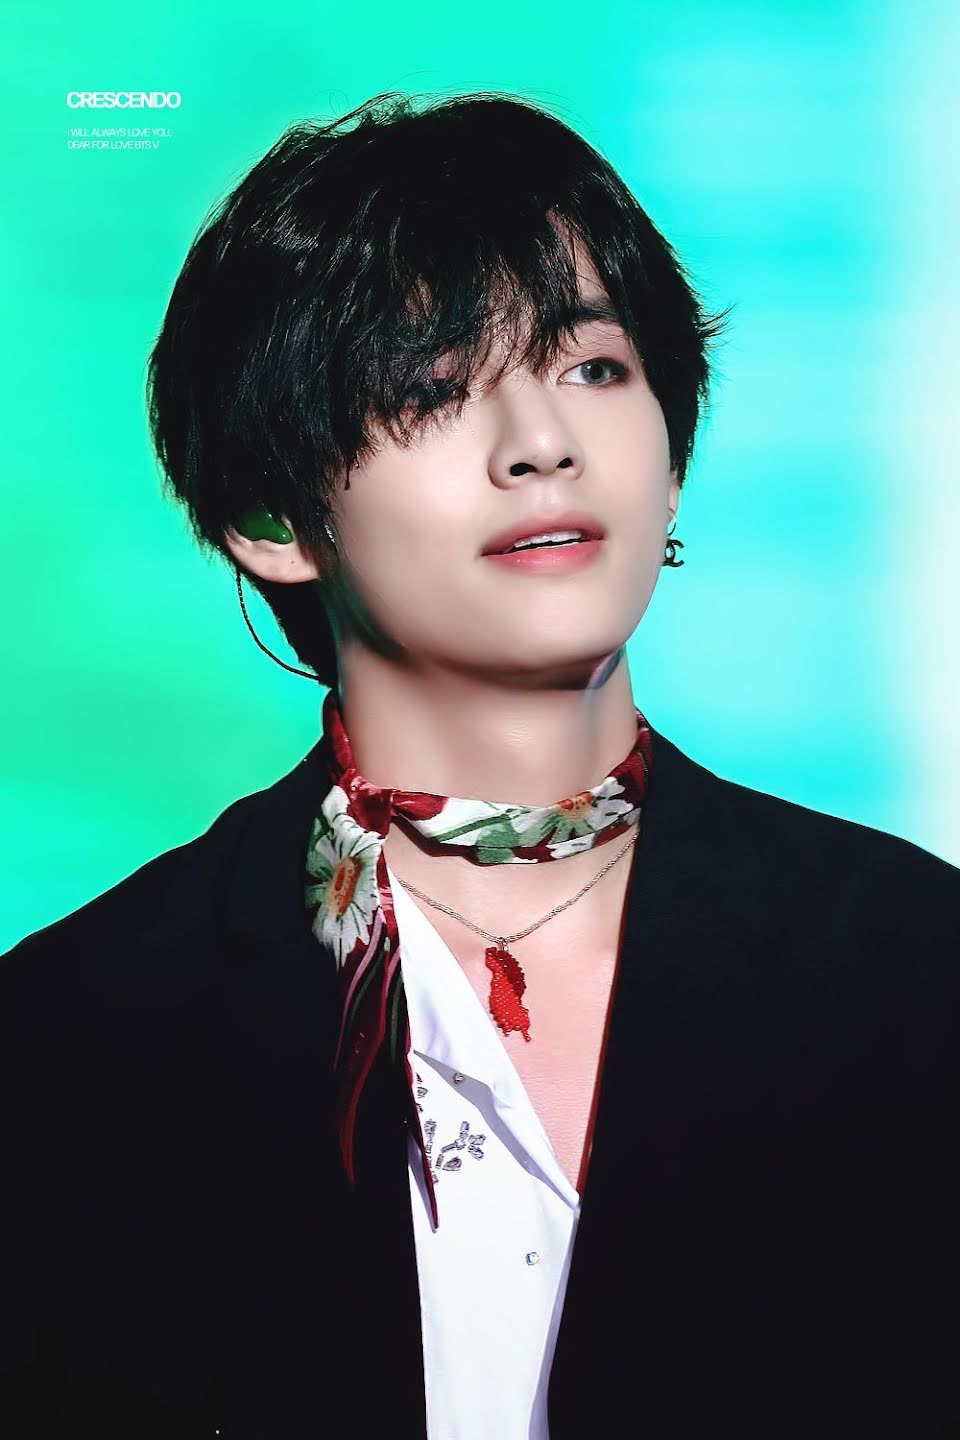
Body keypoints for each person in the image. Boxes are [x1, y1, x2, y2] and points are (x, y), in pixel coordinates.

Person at [1, 89, 957, 1440]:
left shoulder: (914, 967)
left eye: (594, 368)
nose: (543, 443)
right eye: (432, 390)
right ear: (272, 516)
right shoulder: (75, 1038)